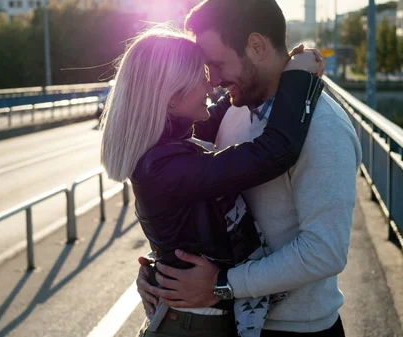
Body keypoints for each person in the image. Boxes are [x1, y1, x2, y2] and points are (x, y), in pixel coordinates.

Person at [135, 1, 363, 336]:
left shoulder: (323, 128)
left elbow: (323, 252)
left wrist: (221, 285)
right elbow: (195, 199)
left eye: (216, 64)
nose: (211, 80)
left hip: (296, 329)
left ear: (255, 46)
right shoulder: (235, 111)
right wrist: (163, 269)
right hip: (235, 324)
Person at [100, 24, 324, 337]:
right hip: (194, 326)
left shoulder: (167, 149)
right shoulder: (165, 167)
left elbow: (225, 105)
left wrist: (279, 69)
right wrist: (297, 78)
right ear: (171, 98)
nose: (212, 87)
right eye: (203, 77)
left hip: (192, 320)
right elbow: (275, 150)